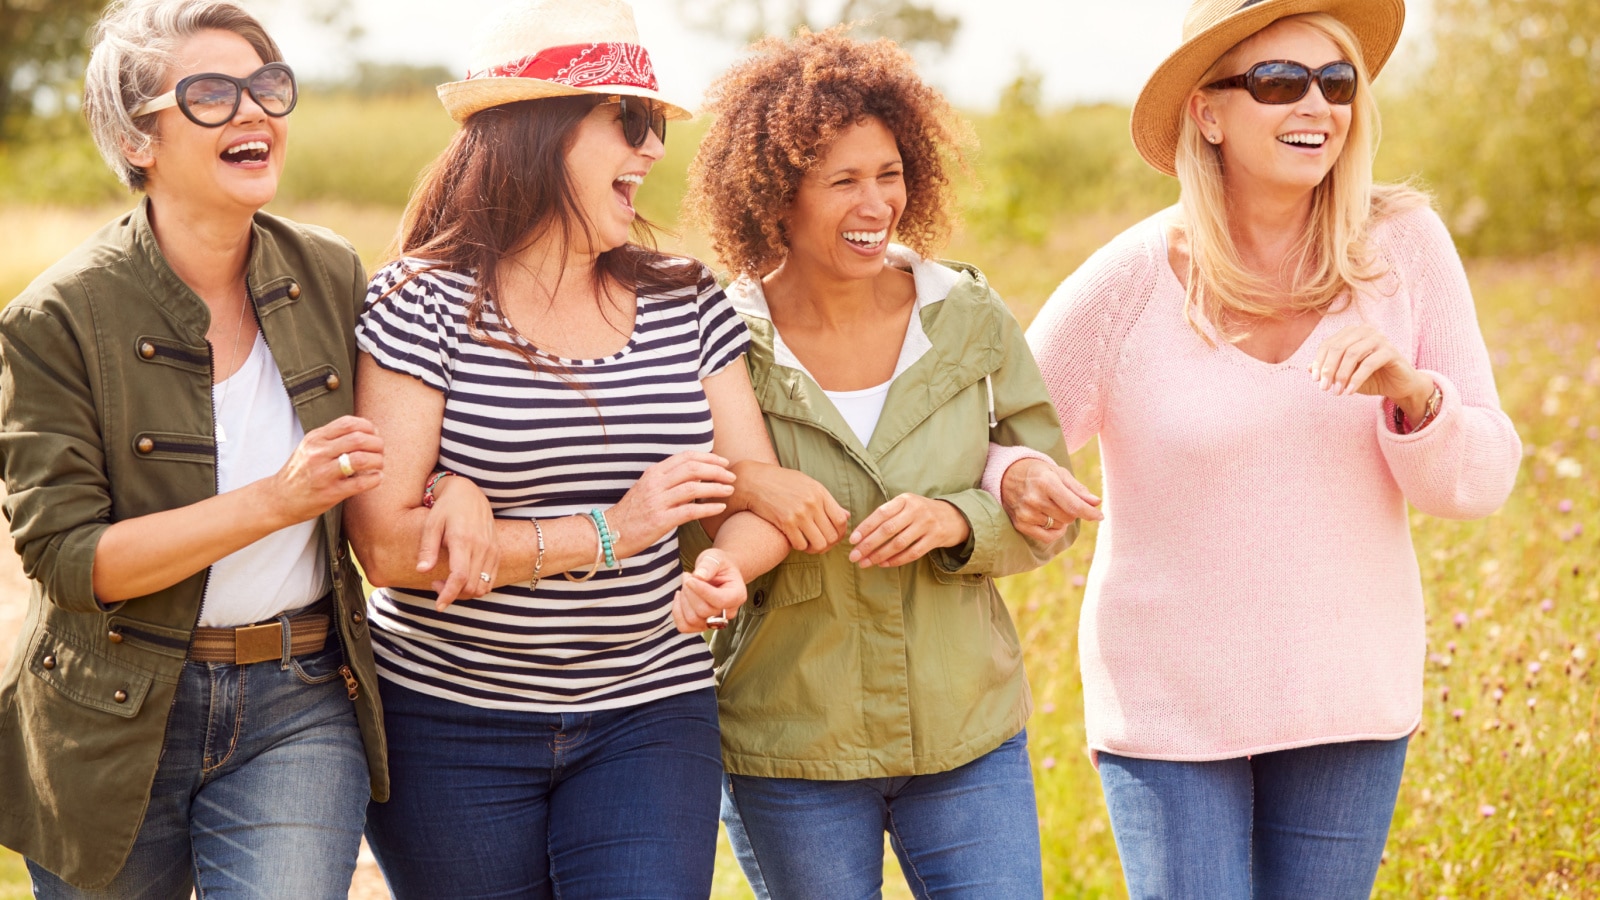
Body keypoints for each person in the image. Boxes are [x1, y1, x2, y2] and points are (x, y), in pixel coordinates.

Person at [989, 0, 1522, 895]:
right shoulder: (1130, 279)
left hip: (1348, 696)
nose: (1316, 106)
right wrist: (1020, 476)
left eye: (1336, 82)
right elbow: (998, 436)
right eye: (1279, 82)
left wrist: (1412, 394)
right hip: (1168, 708)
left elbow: (1480, 483)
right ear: (1208, 111)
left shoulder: (1406, 250)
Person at [342, 1, 790, 896]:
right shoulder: (420, 301)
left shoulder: (686, 299)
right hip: (447, 722)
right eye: (629, 121)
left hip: (648, 712)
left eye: (654, 122)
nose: (653, 148)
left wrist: (730, 568)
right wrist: (611, 531)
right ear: (539, 133)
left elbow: (758, 494)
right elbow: (389, 550)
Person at [0, 0, 395, 896]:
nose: (254, 111)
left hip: (301, 699)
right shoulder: (56, 318)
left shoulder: (330, 272)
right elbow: (67, 559)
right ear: (138, 139)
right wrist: (274, 501)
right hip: (109, 712)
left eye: (267, 87)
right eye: (213, 94)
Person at [682, 28, 1080, 899]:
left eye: (890, 173)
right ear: (776, 197)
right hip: (792, 745)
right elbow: (691, 521)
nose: (878, 203)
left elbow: (1047, 507)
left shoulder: (967, 315)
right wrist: (742, 510)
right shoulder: (716, 340)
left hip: (966, 733)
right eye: (844, 180)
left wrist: (960, 519)